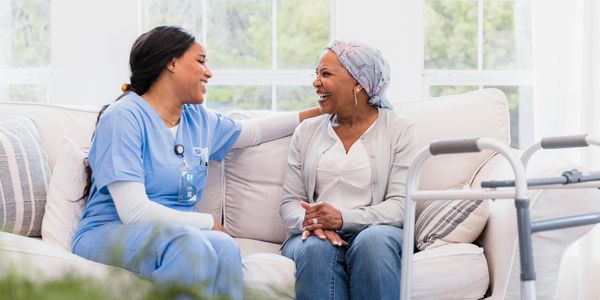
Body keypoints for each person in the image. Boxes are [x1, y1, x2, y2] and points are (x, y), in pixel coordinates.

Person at [71, 26, 321, 299]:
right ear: (172, 63)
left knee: (224, 246)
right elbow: (134, 212)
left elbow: (254, 132)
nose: (209, 72)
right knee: (190, 245)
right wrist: (207, 222)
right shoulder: (123, 118)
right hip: (113, 231)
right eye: (201, 61)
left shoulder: (196, 119)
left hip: (179, 234)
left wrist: (320, 112)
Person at [279, 40, 417, 300]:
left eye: (326, 74)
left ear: (359, 83)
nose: (316, 82)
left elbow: (401, 207)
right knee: (316, 248)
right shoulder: (307, 131)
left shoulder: (399, 129)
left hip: (377, 231)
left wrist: (343, 218)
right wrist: (313, 222)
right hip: (314, 233)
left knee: (373, 243)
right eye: (316, 74)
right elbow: (289, 202)